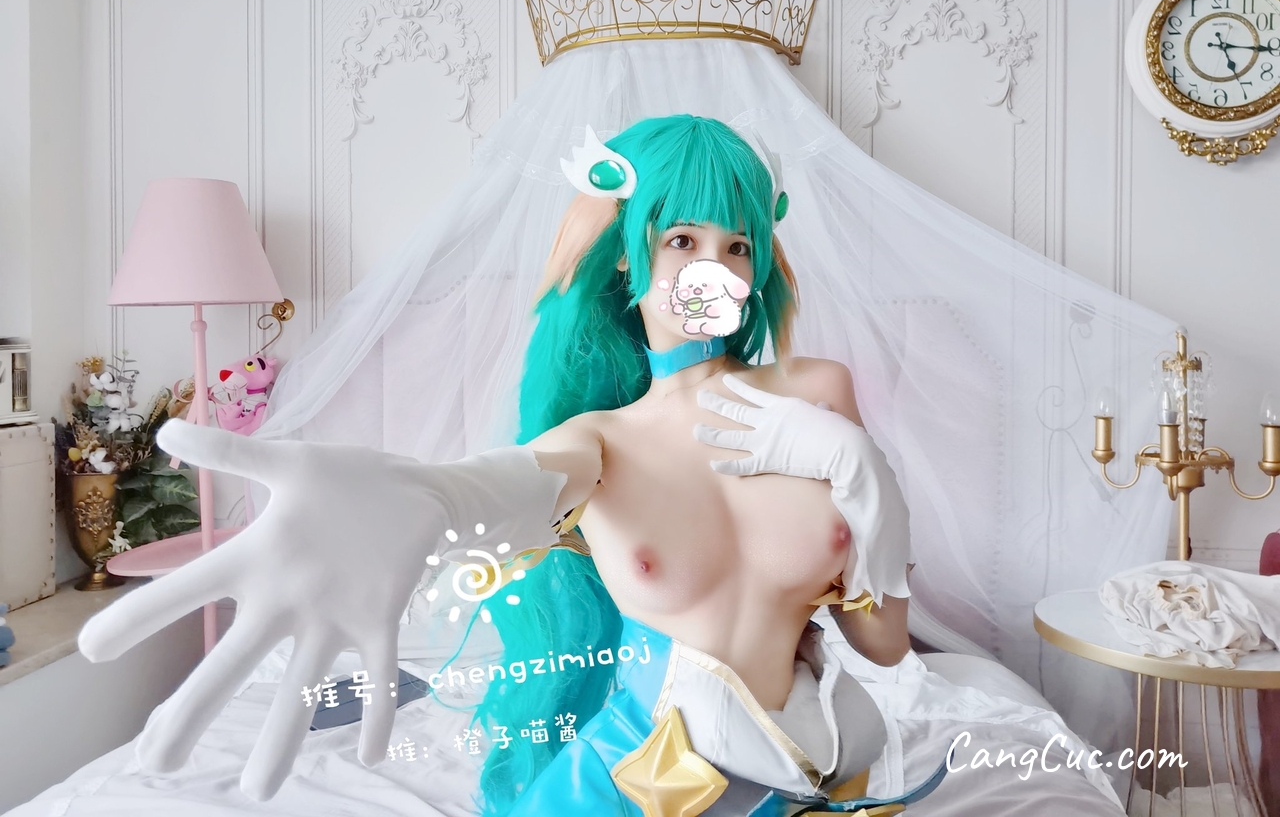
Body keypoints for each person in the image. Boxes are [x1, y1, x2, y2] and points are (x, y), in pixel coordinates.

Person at [78, 115, 933, 816]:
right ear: (627, 252)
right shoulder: (602, 440)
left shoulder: (818, 393)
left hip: (801, 768)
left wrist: (873, 487)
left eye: (738, 245)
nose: (713, 267)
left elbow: (885, 647)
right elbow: (502, 484)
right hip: (633, 782)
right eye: (682, 237)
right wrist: (413, 498)